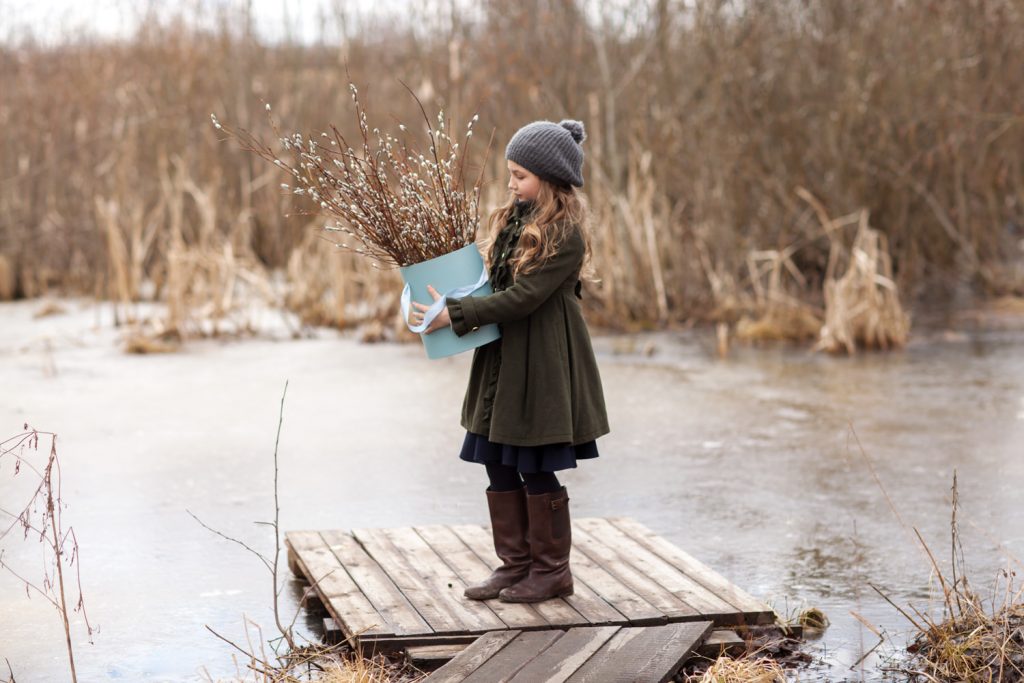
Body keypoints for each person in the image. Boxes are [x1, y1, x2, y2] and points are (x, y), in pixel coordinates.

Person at [409, 119, 610, 603]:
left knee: (534, 463)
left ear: (550, 176)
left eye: (520, 175)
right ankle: (515, 566)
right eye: (510, 174)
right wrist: (443, 287)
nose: (512, 183)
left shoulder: (564, 235)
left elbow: (522, 298)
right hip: (503, 360)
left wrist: (454, 316)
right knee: (497, 461)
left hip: (541, 364)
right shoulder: (511, 219)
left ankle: (551, 572)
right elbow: (490, 284)